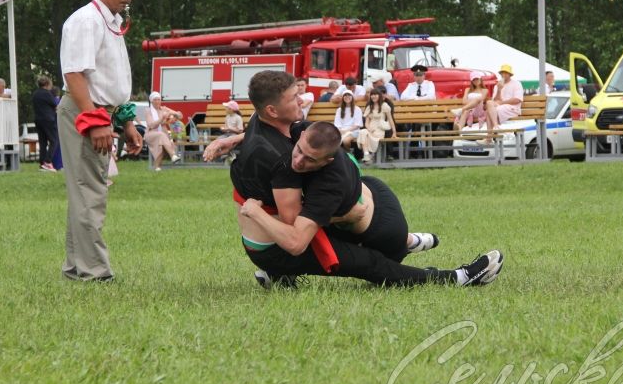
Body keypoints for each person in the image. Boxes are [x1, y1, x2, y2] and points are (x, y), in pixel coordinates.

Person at [203, 70, 503, 289]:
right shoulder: (281, 161)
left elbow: (261, 135)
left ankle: (402, 241)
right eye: (295, 98)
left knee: (363, 214)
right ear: (272, 109)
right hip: (275, 247)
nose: (303, 100)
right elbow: (294, 234)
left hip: (276, 234)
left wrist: (233, 139)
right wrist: (343, 211)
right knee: (369, 262)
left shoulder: (265, 120)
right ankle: (459, 278)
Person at [58, 0, 143, 282]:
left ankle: (76, 267)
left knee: (86, 191)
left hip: (101, 111)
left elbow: (112, 80)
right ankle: (95, 272)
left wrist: (126, 121)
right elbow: (75, 74)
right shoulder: (86, 21)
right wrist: (95, 120)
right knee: (90, 192)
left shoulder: (111, 21)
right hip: (86, 110)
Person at [242, 121, 437, 263]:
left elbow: (296, 242)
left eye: (310, 159)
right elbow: (274, 135)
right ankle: (412, 239)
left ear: (327, 161)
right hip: (371, 187)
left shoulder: (330, 184)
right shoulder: (312, 132)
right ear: (301, 136)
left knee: (395, 250)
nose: (298, 161)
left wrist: (255, 211)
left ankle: (408, 241)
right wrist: (235, 140)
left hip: (382, 229)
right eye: (299, 150)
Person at [483, 64, 524, 144]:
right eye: (502, 73)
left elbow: (517, 100)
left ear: (510, 74)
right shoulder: (497, 85)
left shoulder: (516, 84)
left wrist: (502, 103)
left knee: (489, 111)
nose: (503, 75)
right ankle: (496, 126)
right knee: (489, 103)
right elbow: (494, 101)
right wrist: (499, 89)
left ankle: (488, 138)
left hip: (512, 108)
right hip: (500, 108)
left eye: (506, 73)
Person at [145, 91, 182, 171]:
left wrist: (176, 115)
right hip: (150, 134)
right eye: (155, 100)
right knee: (161, 136)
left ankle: (157, 167)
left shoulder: (164, 109)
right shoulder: (148, 111)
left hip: (162, 135)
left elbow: (179, 115)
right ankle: (173, 155)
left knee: (161, 142)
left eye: (159, 99)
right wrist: (162, 118)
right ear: (151, 101)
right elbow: (151, 125)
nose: (157, 101)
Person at [356, 88, 395, 164]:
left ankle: (371, 155)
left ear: (379, 96)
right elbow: (367, 122)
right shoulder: (369, 107)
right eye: (372, 95)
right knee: (363, 132)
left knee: (366, 135)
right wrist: (369, 129)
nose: (374, 96)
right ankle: (366, 155)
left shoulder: (384, 106)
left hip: (380, 129)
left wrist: (394, 132)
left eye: (376, 94)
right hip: (371, 127)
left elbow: (390, 120)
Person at [32, 76, 60, 172]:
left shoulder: (35, 94)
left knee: (42, 142)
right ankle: (48, 162)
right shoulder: (47, 94)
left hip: (38, 119)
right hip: (48, 119)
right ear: (48, 84)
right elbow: (55, 105)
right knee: (54, 140)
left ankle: (42, 163)